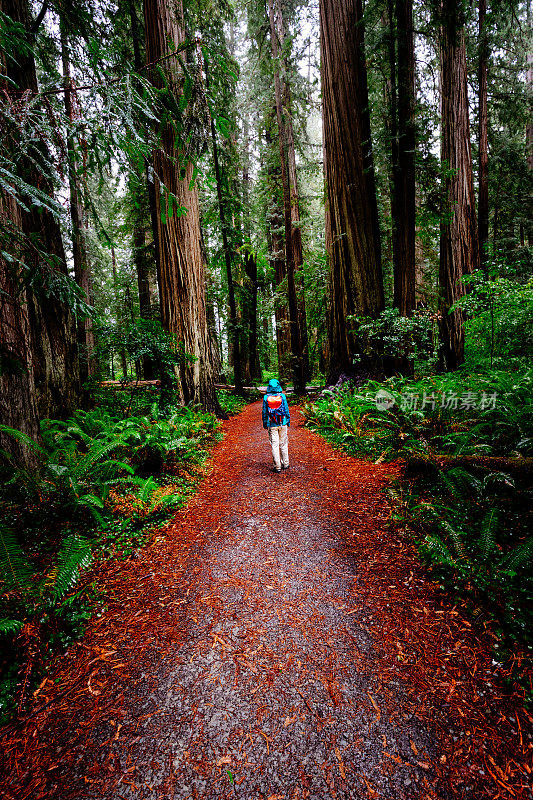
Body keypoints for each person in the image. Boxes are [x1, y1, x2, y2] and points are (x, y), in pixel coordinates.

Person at [262, 378, 290, 473]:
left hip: (272, 424)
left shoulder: (266, 398)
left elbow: (264, 412)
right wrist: (288, 420)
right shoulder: (282, 396)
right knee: (283, 443)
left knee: (274, 444)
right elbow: (286, 410)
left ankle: (277, 466)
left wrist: (265, 423)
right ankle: (285, 463)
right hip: (283, 423)